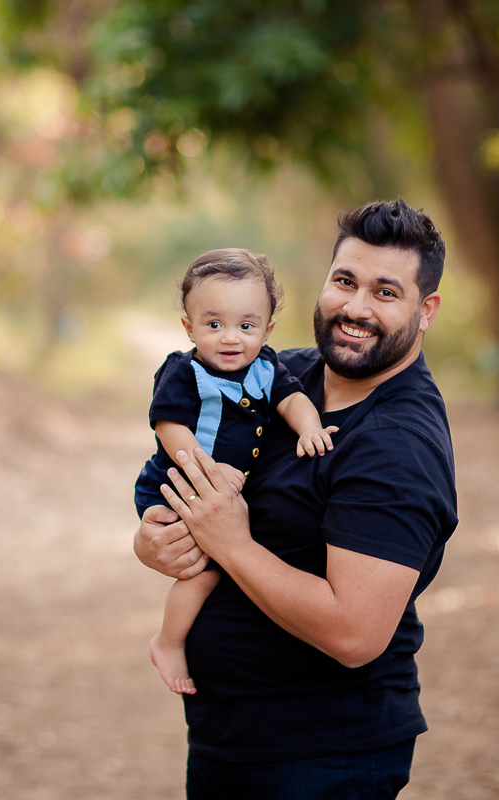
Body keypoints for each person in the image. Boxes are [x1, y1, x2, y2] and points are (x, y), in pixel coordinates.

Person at [135, 198, 458, 800]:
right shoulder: (285, 378)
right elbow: (184, 468)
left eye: (386, 293)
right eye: (345, 281)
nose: (356, 308)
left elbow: (355, 633)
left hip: (322, 757)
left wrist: (230, 544)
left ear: (426, 309)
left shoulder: (397, 444)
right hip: (232, 737)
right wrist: (155, 541)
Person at [135, 248, 337, 695]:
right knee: (204, 568)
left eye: (246, 326)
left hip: (221, 494)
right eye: (213, 325)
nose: (230, 338)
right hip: (179, 485)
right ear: (189, 327)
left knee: (223, 559)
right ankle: (169, 641)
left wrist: (310, 429)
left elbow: (293, 401)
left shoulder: (268, 368)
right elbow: (170, 426)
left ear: (267, 329)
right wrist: (207, 472)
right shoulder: (184, 370)